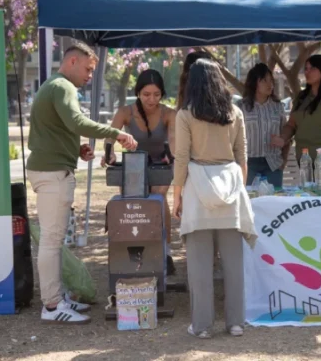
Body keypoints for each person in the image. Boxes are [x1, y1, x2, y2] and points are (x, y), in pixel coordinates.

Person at [26, 42, 138, 324]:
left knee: (53, 240)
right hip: (53, 175)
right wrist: (117, 133)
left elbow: (54, 128)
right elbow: (76, 122)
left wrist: (76, 150)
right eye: (88, 69)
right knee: (52, 242)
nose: (90, 75)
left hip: (51, 169)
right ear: (72, 61)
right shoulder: (63, 87)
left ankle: (57, 299)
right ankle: (52, 306)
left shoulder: (52, 86)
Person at [173, 59, 257, 339]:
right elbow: (241, 157)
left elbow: (182, 159)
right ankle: (235, 323)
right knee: (234, 264)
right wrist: (238, 190)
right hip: (231, 185)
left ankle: (202, 326)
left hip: (197, 188)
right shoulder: (235, 113)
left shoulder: (185, 115)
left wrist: (177, 197)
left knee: (199, 265)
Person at [102, 69, 177, 275]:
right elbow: (110, 136)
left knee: (159, 198)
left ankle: (166, 251)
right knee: (133, 201)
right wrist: (109, 153)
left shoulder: (169, 114)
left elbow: (174, 141)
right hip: (135, 162)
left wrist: (174, 156)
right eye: (146, 94)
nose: (151, 99)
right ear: (137, 93)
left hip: (162, 160)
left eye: (156, 94)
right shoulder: (125, 112)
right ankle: (135, 248)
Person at [237, 63, 289, 188]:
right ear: (254, 83)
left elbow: (287, 137)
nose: (270, 84)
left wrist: (284, 161)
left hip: (273, 163)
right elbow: (233, 138)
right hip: (248, 163)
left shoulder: (278, 107)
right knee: (250, 201)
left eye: (271, 80)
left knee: (274, 202)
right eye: (264, 80)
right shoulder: (241, 106)